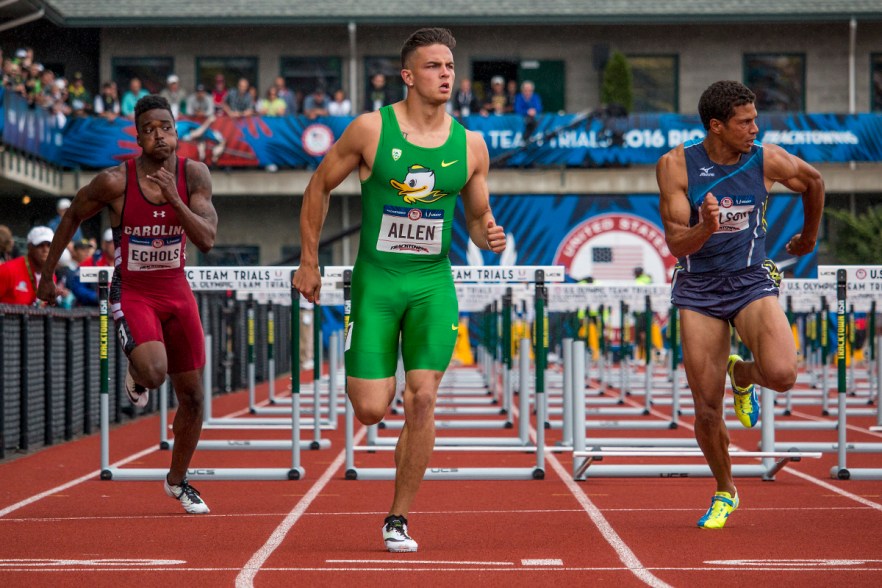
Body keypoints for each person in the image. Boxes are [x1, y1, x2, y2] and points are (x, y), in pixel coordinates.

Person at [292, 27, 506, 553]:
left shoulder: (470, 144)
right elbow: (319, 185)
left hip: (433, 283)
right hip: (376, 283)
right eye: (434, 66)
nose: (446, 74)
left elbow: (478, 217)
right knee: (369, 408)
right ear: (408, 76)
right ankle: (386, 421)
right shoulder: (370, 130)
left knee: (424, 397)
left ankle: (397, 517)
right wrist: (309, 260)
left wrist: (489, 234)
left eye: (450, 65)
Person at [37, 95, 218, 515]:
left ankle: (177, 481)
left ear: (177, 132)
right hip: (134, 291)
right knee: (155, 373)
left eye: (166, 127)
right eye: (150, 128)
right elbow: (71, 218)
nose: (159, 135)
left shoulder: (194, 176)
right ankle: (137, 367)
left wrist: (175, 200)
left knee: (192, 398)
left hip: (176, 292)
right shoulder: (115, 181)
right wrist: (47, 276)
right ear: (137, 137)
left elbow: (207, 239)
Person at [656, 80, 825, 530]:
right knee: (707, 408)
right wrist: (705, 228)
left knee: (784, 375)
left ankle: (742, 373)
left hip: (751, 279)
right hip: (699, 287)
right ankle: (725, 490)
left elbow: (813, 181)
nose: (755, 128)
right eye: (744, 122)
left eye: (755, 119)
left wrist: (808, 237)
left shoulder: (765, 158)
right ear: (716, 126)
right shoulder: (676, 165)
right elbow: (676, 243)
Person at [0, 226, 55, 305]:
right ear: (29, 247)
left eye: (49, 245)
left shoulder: (52, 277)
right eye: (40, 245)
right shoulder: (7, 270)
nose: (45, 249)